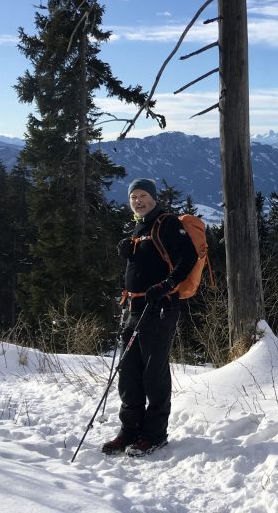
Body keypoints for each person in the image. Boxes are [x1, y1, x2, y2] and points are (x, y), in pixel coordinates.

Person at [102, 178, 197, 457]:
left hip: (161, 308)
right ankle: (129, 431)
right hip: (134, 308)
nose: (138, 200)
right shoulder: (140, 225)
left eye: (143, 195)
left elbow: (187, 257)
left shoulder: (166, 223)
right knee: (129, 372)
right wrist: (130, 254)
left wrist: (167, 285)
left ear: (154, 198)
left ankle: (154, 434)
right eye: (133, 196)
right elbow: (147, 263)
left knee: (153, 372)